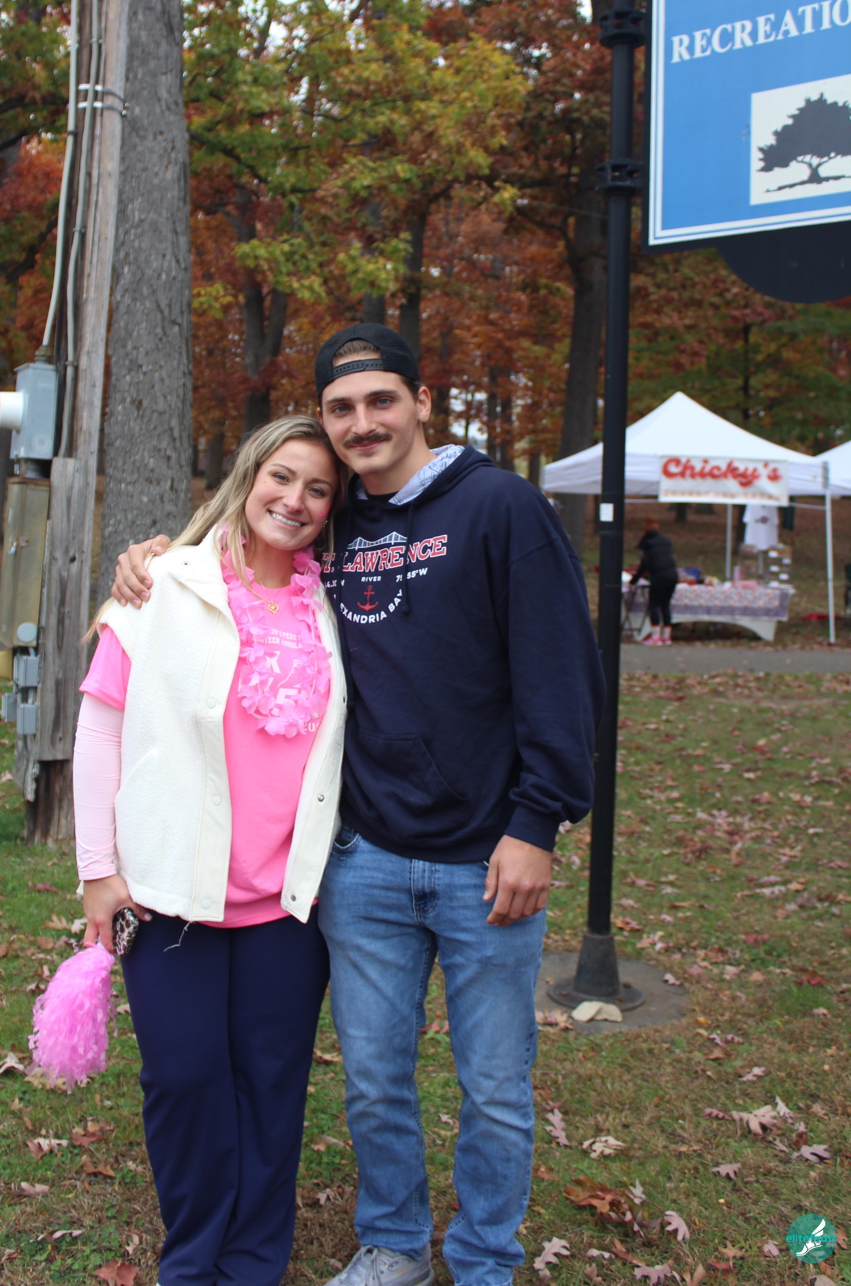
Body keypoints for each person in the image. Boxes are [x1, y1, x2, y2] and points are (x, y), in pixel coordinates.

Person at [112, 327, 604, 1286]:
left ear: (423, 402)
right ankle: (394, 1245)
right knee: (375, 1082)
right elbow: (245, 554)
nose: (362, 422)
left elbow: (560, 672)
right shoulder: (332, 525)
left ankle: (484, 1259)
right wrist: (153, 556)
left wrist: (536, 824)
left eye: (381, 400)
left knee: (494, 1085)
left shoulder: (500, 507)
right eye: (341, 408)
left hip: (486, 858)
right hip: (362, 857)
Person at [74, 415, 346, 1286]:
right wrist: (98, 872)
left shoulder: (335, 605)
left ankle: (253, 1263)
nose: (294, 500)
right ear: (247, 475)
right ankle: (192, 1261)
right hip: (170, 896)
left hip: (287, 906)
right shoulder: (164, 583)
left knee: (272, 1089)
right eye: (282, 477)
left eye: (318, 489)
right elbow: (100, 729)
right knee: (184, 1079)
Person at [629, 516, 678, 645]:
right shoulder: (665, 541)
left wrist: (634, 579)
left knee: (654, 604)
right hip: (673, 573)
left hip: (659, 575)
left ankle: (656, 636)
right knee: (665, 604)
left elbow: (645, 563)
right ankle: (666, 636)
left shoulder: (647, 543)